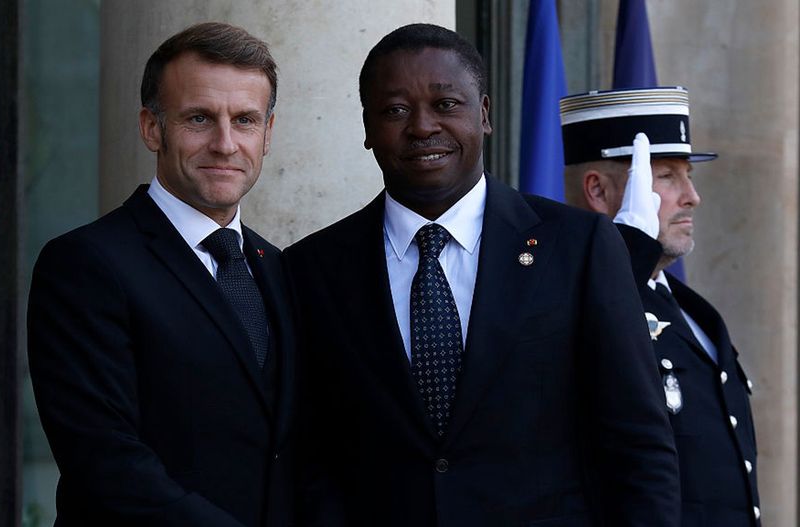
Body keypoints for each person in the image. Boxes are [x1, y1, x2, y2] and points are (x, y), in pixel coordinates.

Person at [286, 23, 679, 527]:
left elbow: (638, 445)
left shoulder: (579, 247)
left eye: (446, 104)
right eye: (395, 110)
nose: (422, 126)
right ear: (367, 128)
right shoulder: (312, 268)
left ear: (485, 114)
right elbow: (313, 457)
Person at [27, 22, 294, 527]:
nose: (225, 143)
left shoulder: (277, 268)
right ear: (152, 127)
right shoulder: (85, 265)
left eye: (245, 120)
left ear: (268, 134)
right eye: (199, 118)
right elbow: (105, 461)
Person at [561, 86, 761, 526]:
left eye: (688, 174)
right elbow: (576, 346)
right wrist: (629, 247)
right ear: (597, 188)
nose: (692, 196)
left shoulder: (693, 311)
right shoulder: (562, 300)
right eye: (667, 176)